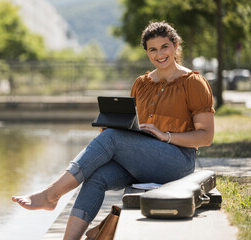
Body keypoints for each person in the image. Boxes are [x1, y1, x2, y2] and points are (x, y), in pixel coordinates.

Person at [12, 21, 215, 240]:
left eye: (165, 47)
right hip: (142, 161)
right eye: (152, 49)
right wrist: (117, 126)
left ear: (175, 46)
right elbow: (132, 125)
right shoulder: (141, 83)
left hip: (177, 163)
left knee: (111, 137)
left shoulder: (194, 82)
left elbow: (206, 136)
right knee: (97, 175)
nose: (159, 54)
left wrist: (165, 136)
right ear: (147, 53)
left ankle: (51, 195)